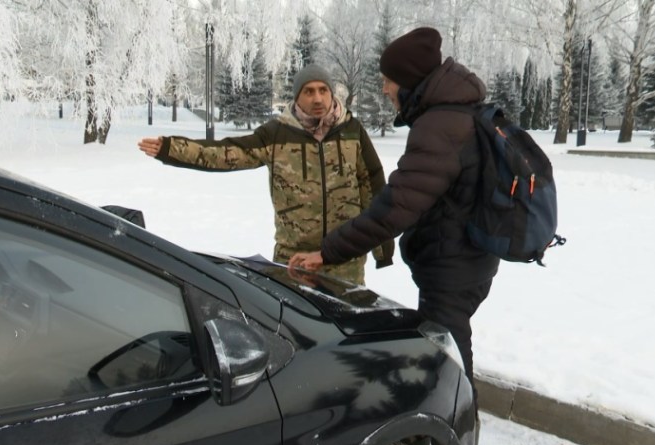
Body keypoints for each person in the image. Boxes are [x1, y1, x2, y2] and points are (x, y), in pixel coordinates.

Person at [288, 27, 500, 407]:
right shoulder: (457, 113)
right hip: (467, 258)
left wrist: (328, 251)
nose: (385, 89)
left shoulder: (439, 128)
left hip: (453, 265)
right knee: (447, 347)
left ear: (408, 81)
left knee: (449, 358)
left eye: (389, 81)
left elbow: (394, 207)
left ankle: (457, 430)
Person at [137, 64, 393, 285]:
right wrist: (172, 148)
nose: (318, 98)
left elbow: (373, 186)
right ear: (297, 97)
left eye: (323, 90)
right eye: (309, 91)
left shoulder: (351, 130)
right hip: (294, 262)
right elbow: (227, 152)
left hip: (345, 261)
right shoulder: (276, 134)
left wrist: (383, 250)